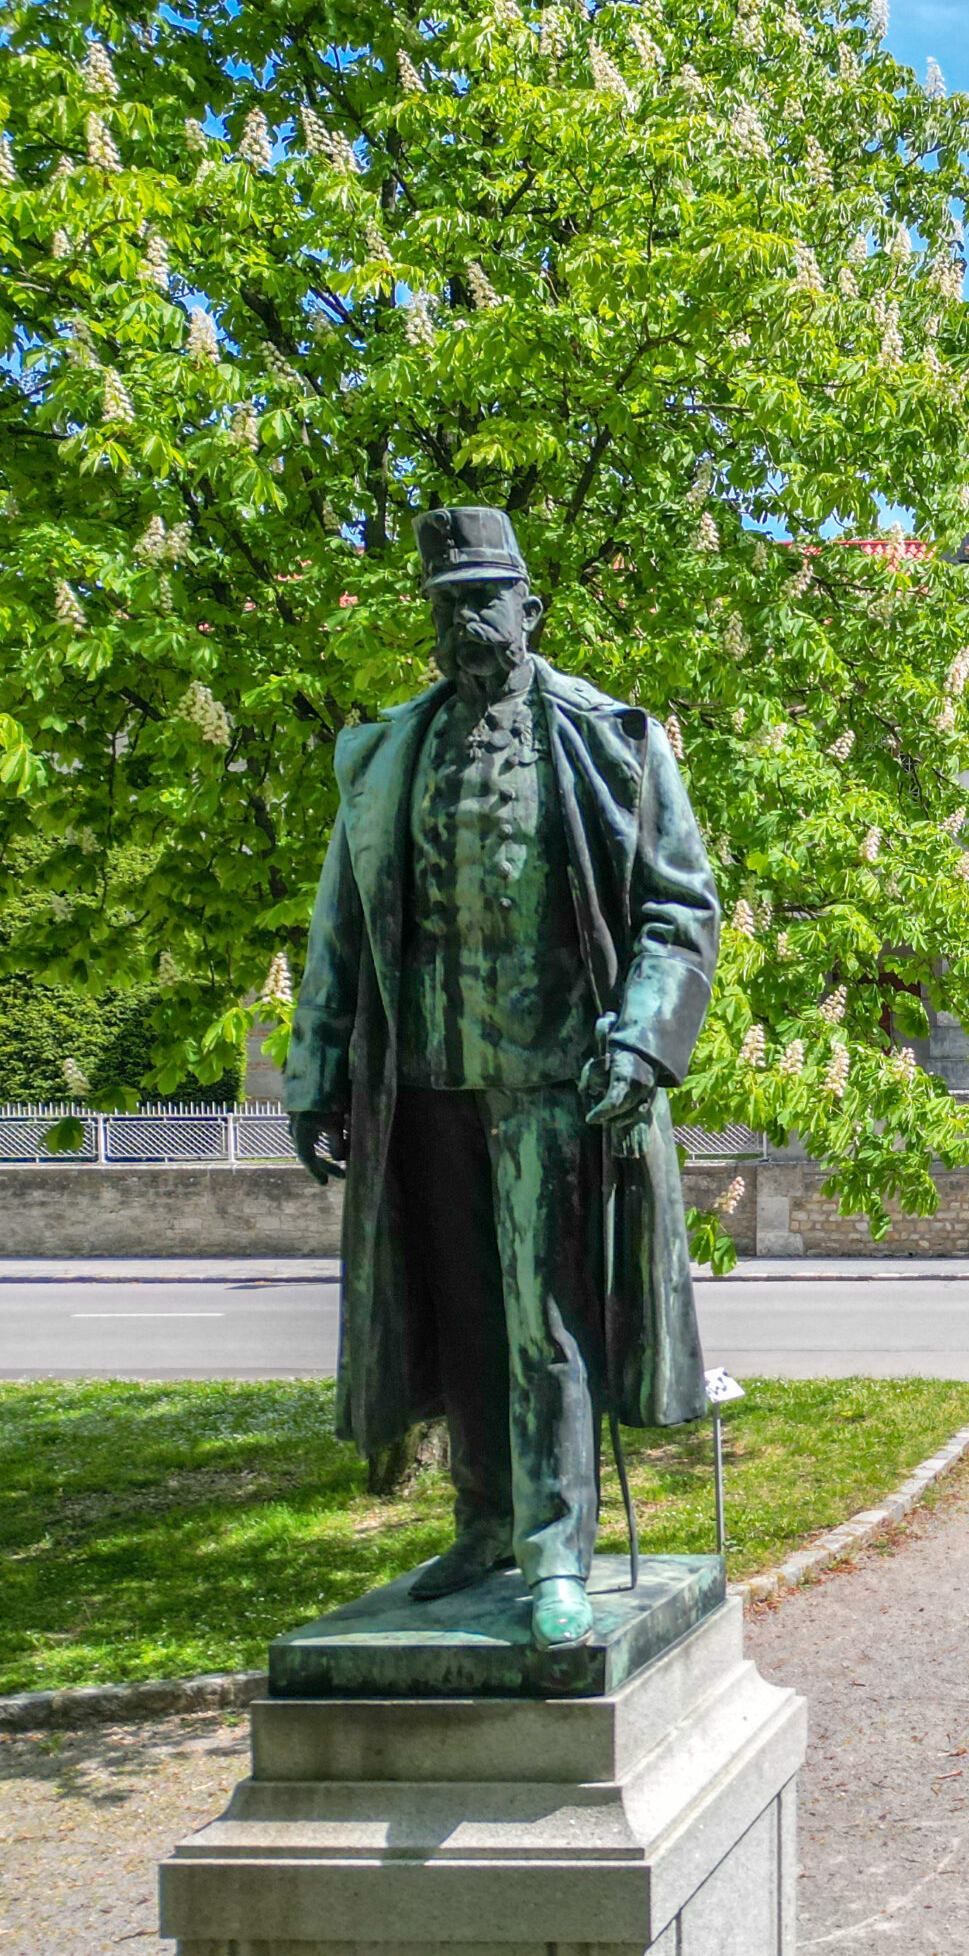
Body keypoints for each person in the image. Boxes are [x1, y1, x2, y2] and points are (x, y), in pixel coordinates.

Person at [284, 506, 720, 1650]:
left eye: (486, 598)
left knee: (545, 1319)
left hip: (550, 1079)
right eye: (448, 603)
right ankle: (482, 1521)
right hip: (423, 1077)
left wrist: (639, 1037)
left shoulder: (609, 738)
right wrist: (317, 1064)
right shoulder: (386, 755)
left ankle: (554, 1550)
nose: (467, 620)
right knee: (459, 1308)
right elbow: (341, 927)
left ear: (530, 609)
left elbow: (679, 910)